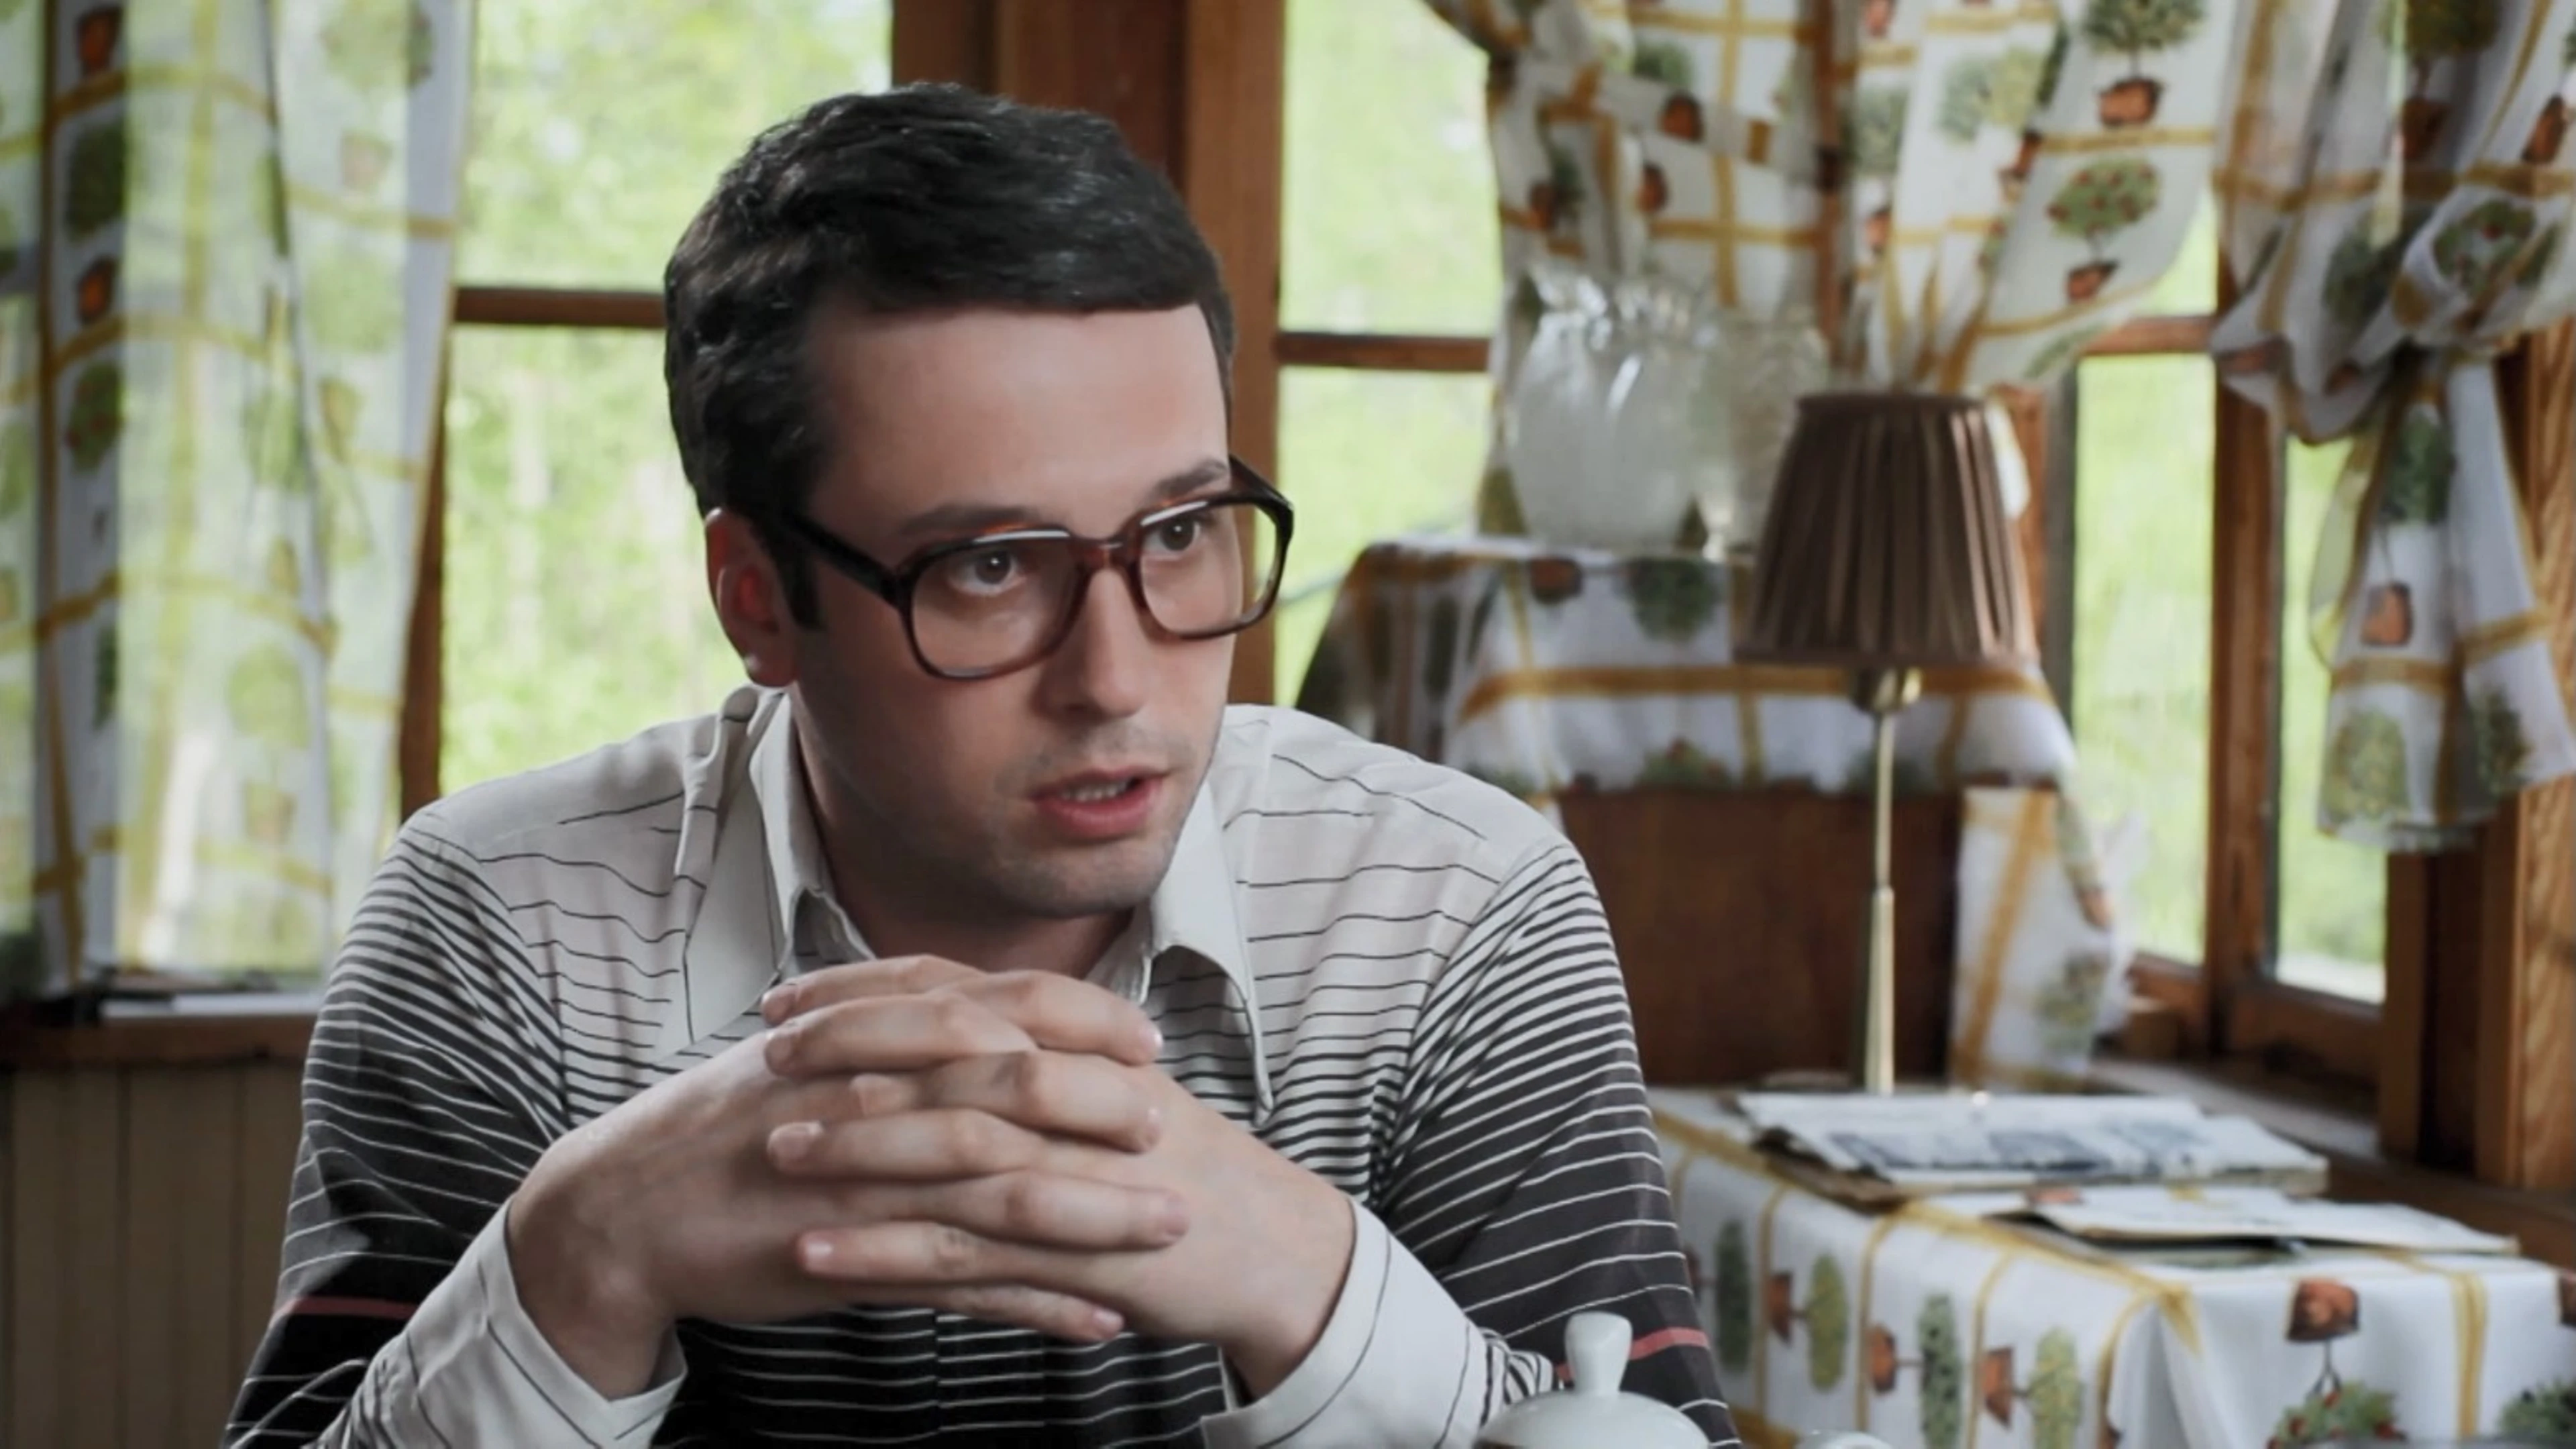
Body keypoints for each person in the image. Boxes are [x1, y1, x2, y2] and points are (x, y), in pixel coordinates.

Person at [225, 82, 1735, 1448]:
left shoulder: (1455, 912)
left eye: (1180, 533)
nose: (1116, 678)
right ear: (759, 600)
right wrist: (580, 1258)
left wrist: (1315, 1284)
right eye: (991, 566)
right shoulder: (501, 924)